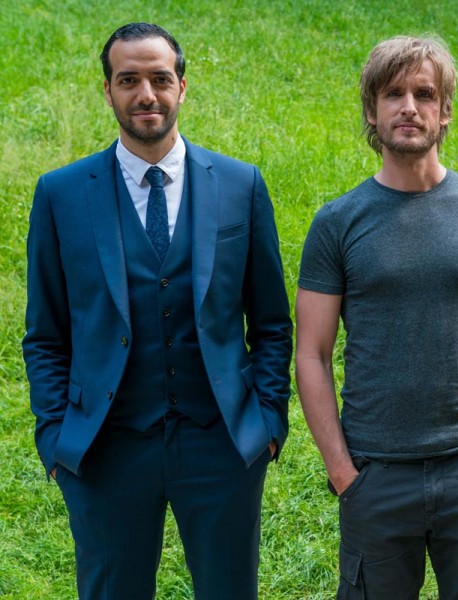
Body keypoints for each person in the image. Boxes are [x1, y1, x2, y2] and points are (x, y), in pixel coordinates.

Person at [22, 22, 292, 599]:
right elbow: (45, 334)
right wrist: (55, 435)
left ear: (182, 88)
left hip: (223, 444)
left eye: (160, 79)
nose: (146, 94)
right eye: (128, 80)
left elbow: (271, 322)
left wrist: (267, 421)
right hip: (106, 447)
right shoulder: (61, 194)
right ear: (107, 91)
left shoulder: (241, 185)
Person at [295, 35, 458, 599]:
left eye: (424, 94)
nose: (409, 107)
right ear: (372, 111)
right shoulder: (337, 223)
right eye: (393, 94)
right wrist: (342, 473)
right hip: (374, 474)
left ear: (445, 109)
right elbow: (311, 354)